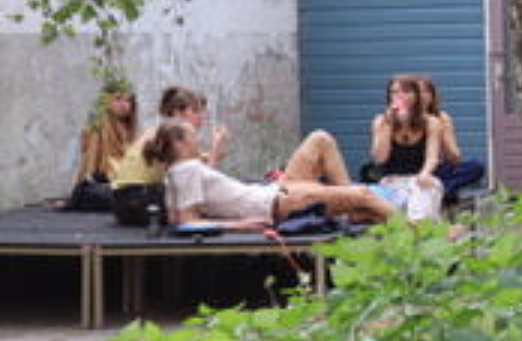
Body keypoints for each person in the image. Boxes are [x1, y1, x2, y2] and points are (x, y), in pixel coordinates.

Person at [148, 122, 394, 229]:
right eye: (193, 136)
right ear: (179, 143)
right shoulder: (186, 170)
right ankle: (420, 233)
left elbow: (177, 217)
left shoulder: (179, 171)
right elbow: (184, 222)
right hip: (277, 203)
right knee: (365, 195)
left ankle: (350, 206)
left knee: (320, 139)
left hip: (274, 191)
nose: (197, 139)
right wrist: (239, 225)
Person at [109, 85, 228, 226]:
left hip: (123, 202)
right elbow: (203, 180)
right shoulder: (174, 133)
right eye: (195, 111)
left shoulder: (162, 130)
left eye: (202, 112)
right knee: (195, 202)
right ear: (177, 112)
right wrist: (215, 149)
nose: (201, 118)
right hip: (137, 201)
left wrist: (208, 156)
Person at [365, 75, 446, 220]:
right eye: (394, 92)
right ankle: (423, 228)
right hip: (392, 181)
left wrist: (425, 173)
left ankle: (417, 225)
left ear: (416, 96)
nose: (400, 97)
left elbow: (432, 157)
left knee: (426, 189)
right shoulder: (381, 121)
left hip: (420, 177)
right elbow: (379, 158)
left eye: (406, 92)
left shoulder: (431, 122)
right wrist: (388, 124)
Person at [65, 81, 138, 210]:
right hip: (103, 184)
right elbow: (91, 167)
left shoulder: (130, 131)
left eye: (128, 101)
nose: (124, 105)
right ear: (106, 102)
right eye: (118, 99)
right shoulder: (99, 128)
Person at [416, 75, 487, 200]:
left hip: (438, 170)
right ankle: (445, 191)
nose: (422, 95)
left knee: (477, 166)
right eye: (418, 91)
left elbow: (455, 158)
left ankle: (443, 189)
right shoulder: (403, 118)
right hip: (413, 170)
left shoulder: (442, 117)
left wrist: (442, 132)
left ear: (433, 96)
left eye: (426, 91)